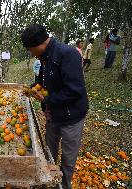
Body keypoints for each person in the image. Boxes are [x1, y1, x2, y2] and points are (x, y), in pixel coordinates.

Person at [21, 24, 88, 189]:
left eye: (30, 49)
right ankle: (48, 180)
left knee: (68, 158)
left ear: (38, 44)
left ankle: (64, 185)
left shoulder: (68, 54)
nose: (30, 53)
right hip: (53, 114)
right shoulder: (44, 56)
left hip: (71, 116)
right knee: (49, 150)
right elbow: (42, 81)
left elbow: (75, 91)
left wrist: (46, 98)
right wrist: (34, 87)